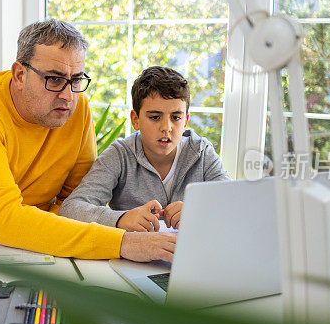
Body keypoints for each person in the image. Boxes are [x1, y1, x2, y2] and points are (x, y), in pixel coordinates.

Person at [0, 19, 175, 264]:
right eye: (54, 79)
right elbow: (6, 219)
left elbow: (79, 201)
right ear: (20, 75)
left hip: (24, 243)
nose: (68, 96)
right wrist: (123, 243)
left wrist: (43, 223)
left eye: (76, 80)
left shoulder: (77, 108)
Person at [60, 65, 230, 231]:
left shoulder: (203, 153)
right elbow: (71, 209)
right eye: (155, 117)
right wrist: (121, 218)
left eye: (176, 117)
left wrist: (197, 212)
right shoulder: (120, 155)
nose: (166, 127)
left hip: (193, 256)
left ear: (185, 121)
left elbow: (234, 208)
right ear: (135, 120)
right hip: (133, 257)